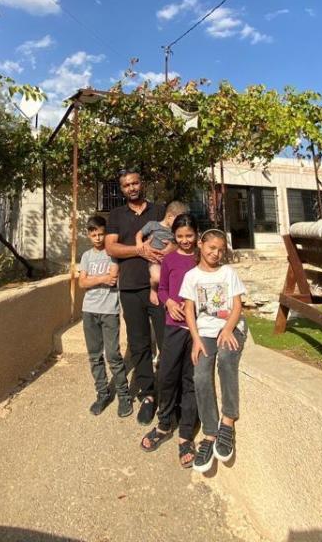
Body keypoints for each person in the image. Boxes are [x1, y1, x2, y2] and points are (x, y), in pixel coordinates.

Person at [180, 228, 247, 474]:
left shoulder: (229, 273)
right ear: (200, 245)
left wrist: (229, 329)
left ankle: (227, 420)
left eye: (221, 250)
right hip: (205, 333)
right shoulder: (191, 276)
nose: (216, 253)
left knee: (227, 361)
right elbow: (189, 310)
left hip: (230, 328)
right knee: (200, 375)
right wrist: (196, 339)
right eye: (212, 248)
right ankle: (210, 433)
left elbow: (238, 305)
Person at [104, 168, 166, 425]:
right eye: (126, 185)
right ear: (122, 189)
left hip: (161, 288)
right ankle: (149, 395)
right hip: (130, 288)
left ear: (142, 184)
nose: (132, 187)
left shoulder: (160, 211)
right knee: (139, 344)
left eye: (135, 183)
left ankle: (171, 392)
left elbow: (176, 238)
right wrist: (140, 251)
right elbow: (111, 246)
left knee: (168, 341)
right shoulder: (117, 215)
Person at [139, 213, 200, 467]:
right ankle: (164, 424)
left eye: (189, 236)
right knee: (166, 375)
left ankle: (186, 434)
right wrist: (170, 302)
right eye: (180, 236)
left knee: (191, 380)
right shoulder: (170, 259)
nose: (185, 240)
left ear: (197, 234)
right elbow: (162, 288)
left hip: (197, 330)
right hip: (174, 326)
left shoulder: (202, 258)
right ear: (174, 236)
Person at [78, 216, 132, 418]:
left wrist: (93, 280)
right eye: (94, 234)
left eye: (101, 233)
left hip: (109, 310)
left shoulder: (112, 254)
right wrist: (100, 279)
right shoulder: (86, 256)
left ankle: (123, 395)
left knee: (113, 355)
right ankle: (102, 393)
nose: (98, 238)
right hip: (89, 310)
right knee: (94, 356)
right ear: (89, 235)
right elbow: (82, 283)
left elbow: (112, 279)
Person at [136, 201, 188, 305]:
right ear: (169, 216)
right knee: (156, 278)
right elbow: (140, 233)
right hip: (155, 260)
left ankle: (173, 298)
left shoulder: (175, 231)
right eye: (178, 220)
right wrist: (139, 243)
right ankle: (154, 290)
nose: (180, 224)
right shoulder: (153, 225)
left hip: (169, 261)